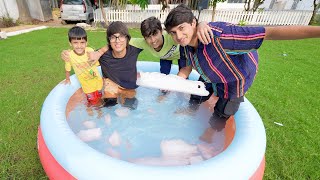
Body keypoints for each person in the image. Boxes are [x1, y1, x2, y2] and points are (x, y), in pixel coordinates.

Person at [164, 4, 320, 143]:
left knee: (223, 110)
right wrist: (174, 84)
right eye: (173, 32)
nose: (178, 36)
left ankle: (211, 132)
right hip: (210, 70)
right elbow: (186, 69)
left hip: (236, 76)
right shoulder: (184, 45)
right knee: (197, 92)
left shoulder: (222, 36)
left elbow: (270, 33)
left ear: (193, 23)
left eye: (181, 28)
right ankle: (191, 110)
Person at [98, 21, 142, 110]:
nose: (117, 41)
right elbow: (83, 58)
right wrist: (68, 55)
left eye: (121, 36)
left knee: (130, 109)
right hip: (111, 89)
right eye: (113, 37)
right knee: (108, 110)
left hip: (128, 89)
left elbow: (154, 42)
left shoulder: (134, 50)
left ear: (127, 38)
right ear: (109, 40)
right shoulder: (102, 55)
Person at [64, 26, 103, 106]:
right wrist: (67, 79)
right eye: (75, 43)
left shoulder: (90, 51)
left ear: (86, 42)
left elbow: (97, 64)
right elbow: (67, 68)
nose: (79, 46)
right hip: (87, 87)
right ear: (70, 43)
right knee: (92, 102)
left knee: (100, 99)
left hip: (98, 82)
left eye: (82, 42)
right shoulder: (69, 55)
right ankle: (91, 111)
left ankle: (99, 113)